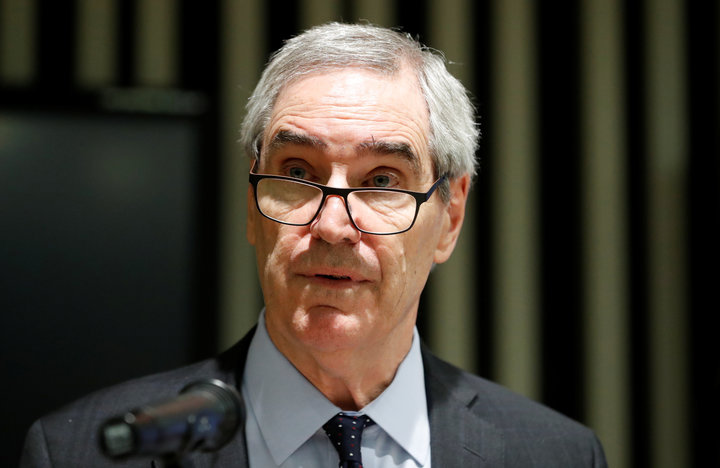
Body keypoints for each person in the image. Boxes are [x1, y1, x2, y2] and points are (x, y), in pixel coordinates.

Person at [20, 22, 607, 467]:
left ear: (450, 215)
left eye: (382, 181)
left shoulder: (559, 454)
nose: (331, 225)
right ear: (253, 204)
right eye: (297, 172)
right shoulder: (76, 450)